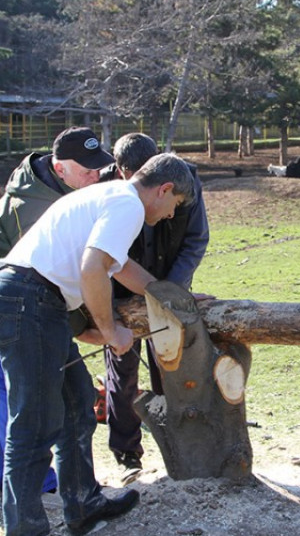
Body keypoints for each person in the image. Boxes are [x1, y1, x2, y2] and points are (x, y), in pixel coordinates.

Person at [0, 153, 195, 536]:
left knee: (78, 403)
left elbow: (120, 268)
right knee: (34, 421)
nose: (169, 215)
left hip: (34, 300)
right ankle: (25, 528)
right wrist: (112, 332)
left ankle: (84, 503)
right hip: (28, 299)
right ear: (164, 189)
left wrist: (173, 298)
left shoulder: (111, 196)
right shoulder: (127, 205)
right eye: (174, 205)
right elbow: (92, 268)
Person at [0, 126, 112, 493]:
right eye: (87, 170)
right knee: (13, 384)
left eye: (98, 167)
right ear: (59, 167)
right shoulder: (35, 206)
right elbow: (42, 280)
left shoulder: (71, 187)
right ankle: (34, 481)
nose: (95, 176)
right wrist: (83, 327)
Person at [100, 133, 210, 481]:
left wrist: (172, 292)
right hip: (119, 286)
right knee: (122, 366)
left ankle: (180, 443)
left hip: (168, 279)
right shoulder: (104, 187)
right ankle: (127, 451)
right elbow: (103, 257)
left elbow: (195, 239)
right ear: (120, 170)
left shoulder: (183, 179)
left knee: (172, 365)